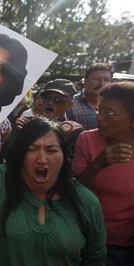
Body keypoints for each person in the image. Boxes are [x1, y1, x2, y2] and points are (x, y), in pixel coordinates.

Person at [0, 113, 106, 265]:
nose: (42, 159)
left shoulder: (87, 203)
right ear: (19, 154)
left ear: (64, 156)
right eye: (32, 149)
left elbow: (95, 258)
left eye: (51, 150)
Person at [72, 82, 134, 266]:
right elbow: (72, 189)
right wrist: (97, 164)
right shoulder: (87, 140)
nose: (99, 118)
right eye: (99, 110)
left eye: (110, 113)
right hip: (88, 237)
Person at [67, 63, 113, 129]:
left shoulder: (116, 106)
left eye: (106, 80)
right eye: (96, 79)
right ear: (85, 81)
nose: (101, 83)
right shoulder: (70, 105)